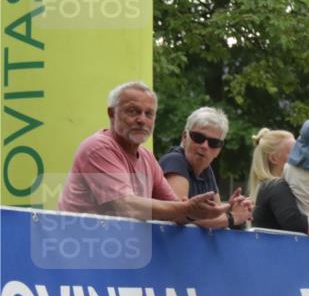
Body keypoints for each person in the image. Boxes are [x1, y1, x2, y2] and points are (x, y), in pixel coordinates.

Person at [59, 81, 225, 222]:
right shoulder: (98, 148)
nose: (141, 120)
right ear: (111, 113)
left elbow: (176, 209)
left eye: (149, 114)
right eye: (133, 111)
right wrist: (189, 210)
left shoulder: (147, 157)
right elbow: (126, 207)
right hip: (81, 251)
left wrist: (207, 212)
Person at [248, 126, 309, 246]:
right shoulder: (276, 187)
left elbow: (308, 220)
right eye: (295, 151)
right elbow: (294, 220)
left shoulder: (277, 185)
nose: (303, 154)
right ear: (273, 158)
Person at [159, 107, 253, 229]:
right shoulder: (174, 160)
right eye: (198, 137)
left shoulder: (206, 170)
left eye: (214, 143)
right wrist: (233, 217)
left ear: (219, 150)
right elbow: (179, 216)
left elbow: (215, 216)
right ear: (184, 137)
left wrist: (230, 209)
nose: (204, 146)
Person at [247, 127, 295, 202]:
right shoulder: (280, 190)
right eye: (293, 152)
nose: (299, 156)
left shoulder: (265, 190)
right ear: (273, 158)